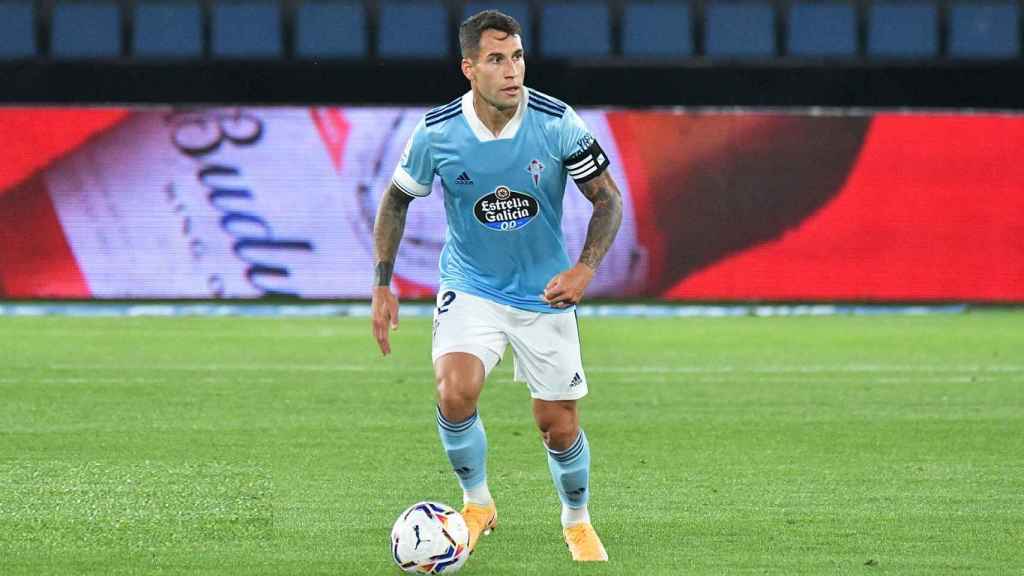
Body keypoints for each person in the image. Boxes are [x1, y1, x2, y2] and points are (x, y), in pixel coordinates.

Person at [370, 10, 622, 562]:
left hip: (543, 293)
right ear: (469, 68)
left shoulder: (557, 122)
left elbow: (607, 199)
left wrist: (585, 269)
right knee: (453, 390)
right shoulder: (438, 131)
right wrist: (383, 283)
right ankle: (477, 502)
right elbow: (395, 198)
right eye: (496, 59)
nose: (512, 71)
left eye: (517, 57)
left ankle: (575, 519)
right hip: (471, 284)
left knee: (556, 424)